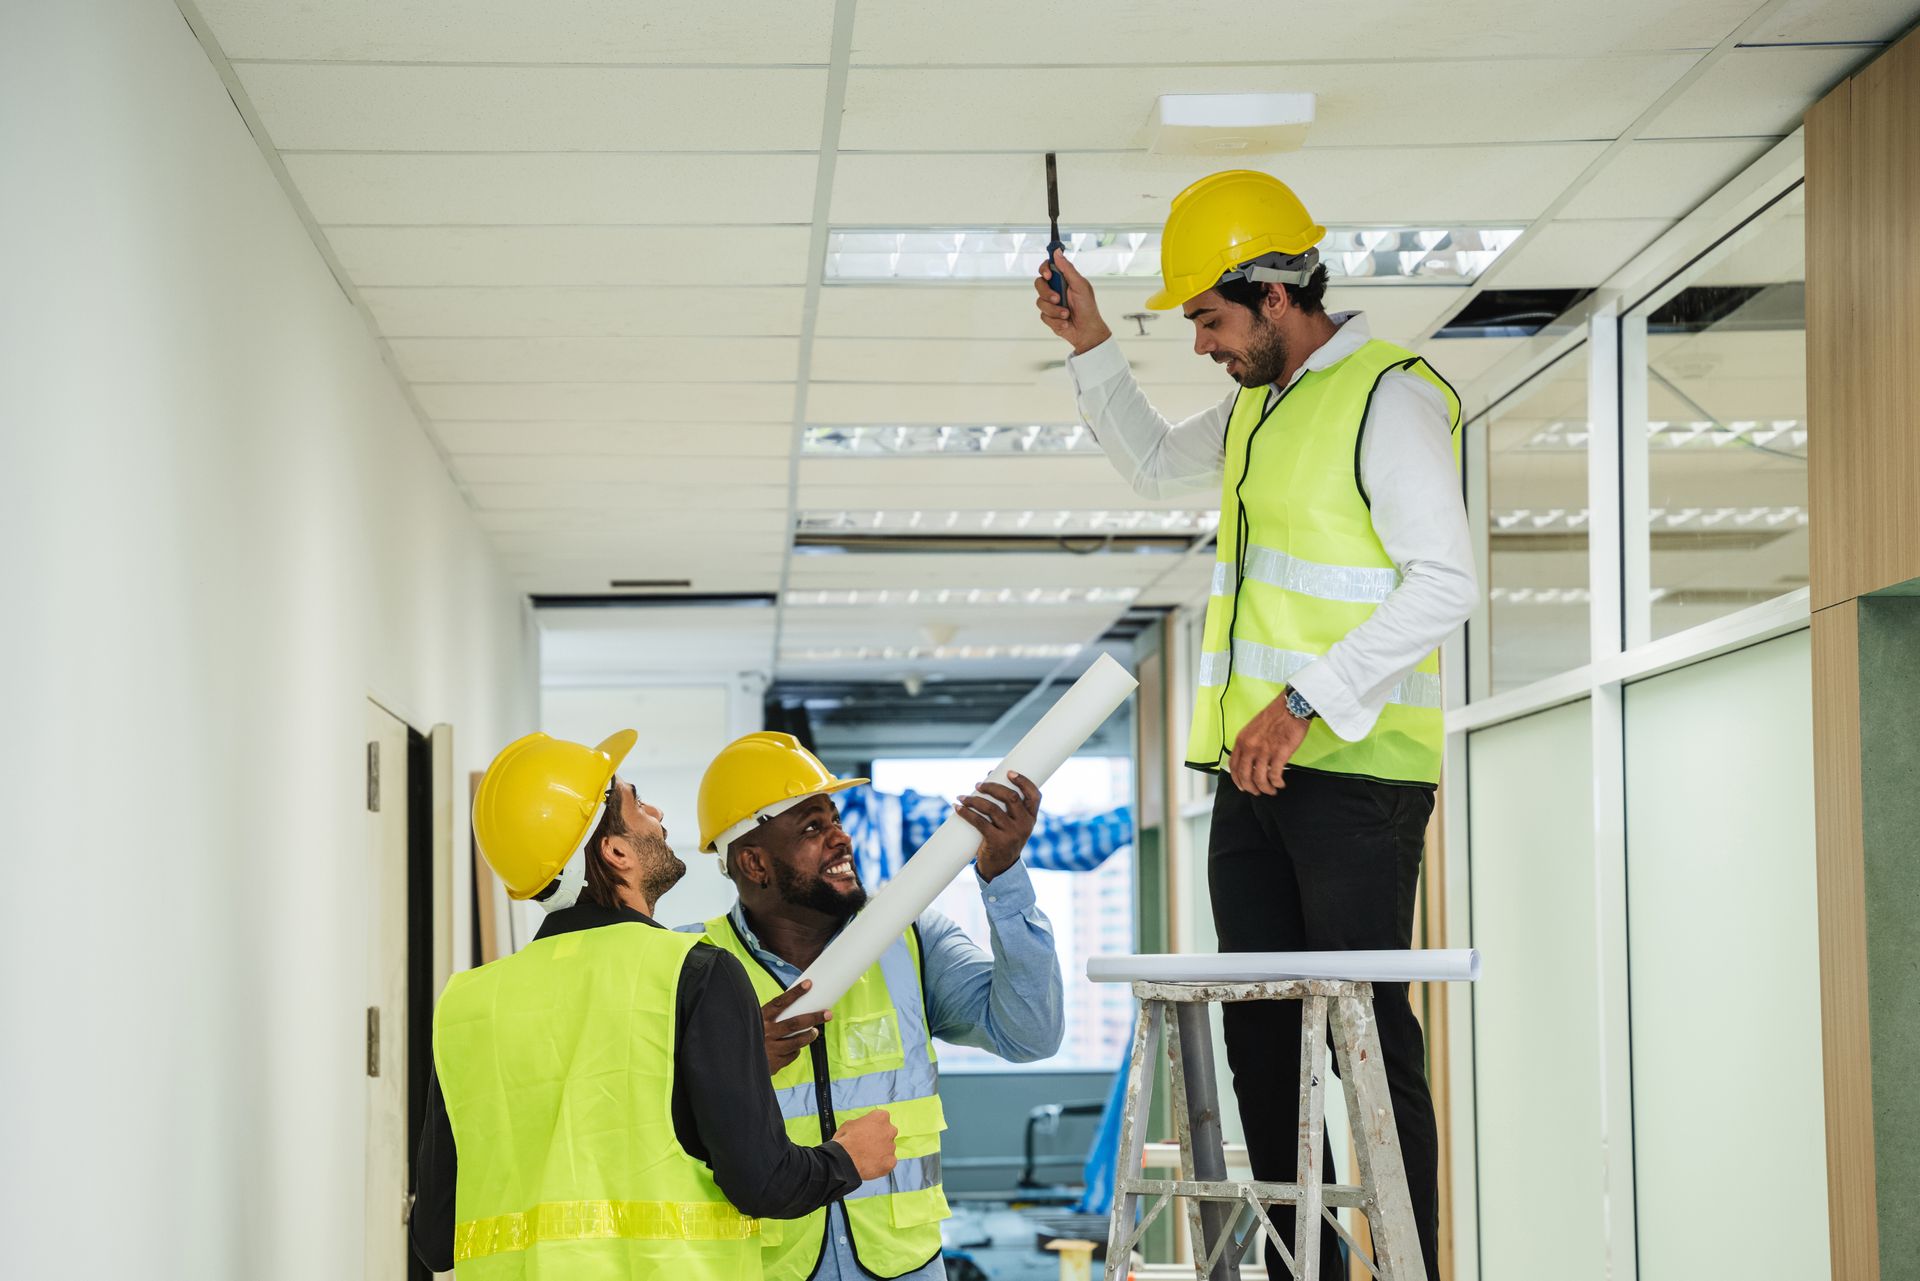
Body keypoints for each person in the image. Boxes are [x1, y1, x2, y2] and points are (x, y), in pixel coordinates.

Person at [1034, 169, 1475, 1281]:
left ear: (1278, 297)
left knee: (1366, 1038)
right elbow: (1145, 463)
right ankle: (1299, 1272)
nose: (1202, 345)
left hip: (1357, 778)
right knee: (1262, 1042)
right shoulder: (1258, 409)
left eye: (1210, 319)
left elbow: (1445, 581)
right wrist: (1091, 343)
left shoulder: (1388, 397)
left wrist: (1303, 701)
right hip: (1256, 778)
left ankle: (1406, 1262)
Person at [411, 729, 899, 1278]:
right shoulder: (696, 973)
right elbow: (764, 1183)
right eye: (636, 803)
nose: (657, 812)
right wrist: (847, 1158)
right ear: (615, 851)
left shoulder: (468, 1004)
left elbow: (435, 1238)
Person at [689, 732, 1065, 1281]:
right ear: (755, 863)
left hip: (904, 1264)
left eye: (835, 819)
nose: (841, 838)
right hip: (766, 1265)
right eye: (813, 828)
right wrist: (736, 1061)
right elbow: (645, 1115)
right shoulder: (693, 965)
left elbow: (1031, 1034)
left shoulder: (911, 939)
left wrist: (1003, 875)